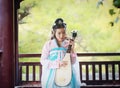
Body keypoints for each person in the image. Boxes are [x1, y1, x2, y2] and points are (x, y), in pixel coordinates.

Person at [40, 18, 81, 88]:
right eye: (59, 33)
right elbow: (43, 61)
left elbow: (73, 62)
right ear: (54, 33)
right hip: (52, 75)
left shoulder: (68, 44)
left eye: (63, 32)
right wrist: (57, 64)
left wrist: (72, 49)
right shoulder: (48, 44)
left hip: (67, 73)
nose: (61, 35)